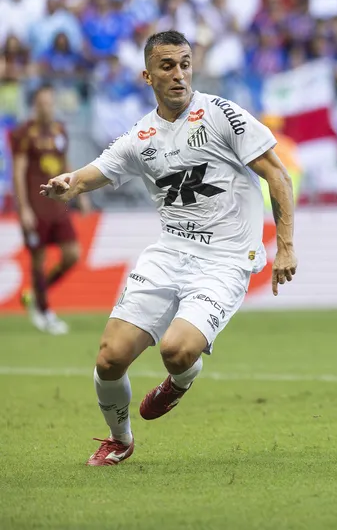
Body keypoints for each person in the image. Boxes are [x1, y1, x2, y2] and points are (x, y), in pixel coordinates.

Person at [39, 30, 299, 466]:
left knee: (176, 351)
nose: (178, 74)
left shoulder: (222, 114)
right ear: (147, 75)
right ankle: (119, 438)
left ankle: (179, 382)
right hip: (169, 253)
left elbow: (278, 175)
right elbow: (94, 172)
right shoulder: (141, 136)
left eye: (184, 64)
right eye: (167, 66)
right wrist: (69, 183)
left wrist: (286, 247)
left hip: (226, 260)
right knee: (109, 359)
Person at [10, 84, 89, 334]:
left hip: (57, 205)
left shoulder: (59, 130)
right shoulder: (24, 133)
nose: (47, 107)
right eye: (42, 103)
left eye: (50, 102)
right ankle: (44, 312)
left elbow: (65, 163)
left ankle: (34, 293)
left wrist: (80, 191)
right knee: (38, 259)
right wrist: (23, 208)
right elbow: (19, 171)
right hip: (36, 206)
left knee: (72, 254)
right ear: (35, 105)